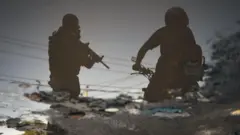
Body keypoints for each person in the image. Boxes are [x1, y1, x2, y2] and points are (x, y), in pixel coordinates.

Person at [132, 7, 202, 102]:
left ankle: (156, 98)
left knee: (151, 95)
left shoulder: (165, 31)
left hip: (172, 67)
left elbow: (145, 48)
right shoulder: (185, 31)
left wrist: (137, 63)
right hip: (178, 69)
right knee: (154, 91)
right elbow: (145, 47)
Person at [48, 14, 100, 99]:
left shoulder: (56, 38)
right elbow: (87, 63)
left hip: (56, 79)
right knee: (71, 107)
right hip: (68, 81)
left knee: (60, 106)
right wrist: (93, 59)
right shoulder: (71, 41)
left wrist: (83, 48)